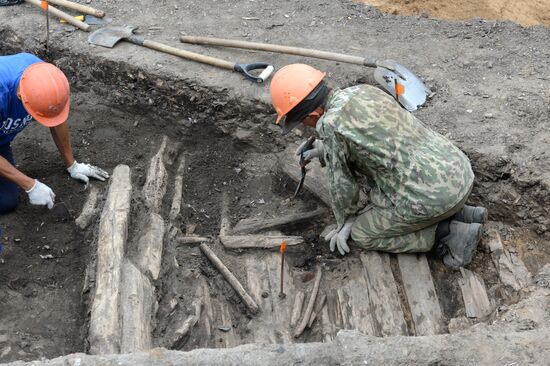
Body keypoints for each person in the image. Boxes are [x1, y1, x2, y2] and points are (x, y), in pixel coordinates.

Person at [269, 63, 488, 268]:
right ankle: (464, 214)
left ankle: (449, 234)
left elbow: (342, 184)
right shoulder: (362, 91)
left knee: (364, 233)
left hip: (432, 197)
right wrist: (324, 149)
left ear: (313, 114)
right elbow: (376, 141)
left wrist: (345, 221)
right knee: (399, 192)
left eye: (303, 121)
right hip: (457, 171)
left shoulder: (331, 124)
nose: (306, 127)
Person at [0, 53, 108, 214]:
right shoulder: (3, 93)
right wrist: (30, 185)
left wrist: (72, 165)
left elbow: (55, 116)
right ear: (21, 96)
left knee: (7, 201)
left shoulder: (45, 77)